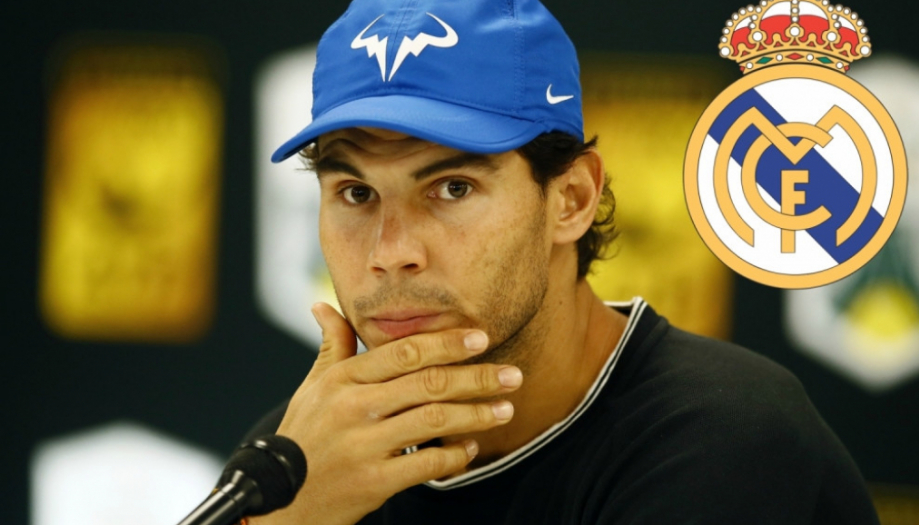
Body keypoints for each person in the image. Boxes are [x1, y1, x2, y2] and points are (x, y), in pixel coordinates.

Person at [246, 0, 879, 523]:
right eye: (356, 194)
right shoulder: (307, 462)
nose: (390, 254)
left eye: (453, 188)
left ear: (571, 199)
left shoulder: (724, 439)